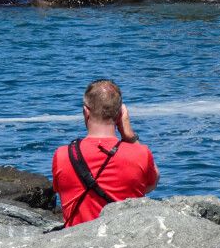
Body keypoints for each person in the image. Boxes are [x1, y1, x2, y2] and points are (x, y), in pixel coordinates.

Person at [51, 79, 158, 228]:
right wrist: (129, 136)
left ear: (85, 111)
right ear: (121, 114)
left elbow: (60, 191)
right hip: (126, 240)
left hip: (77, 244)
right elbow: (153, 182)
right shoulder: (141, 153)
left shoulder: (62, 155)